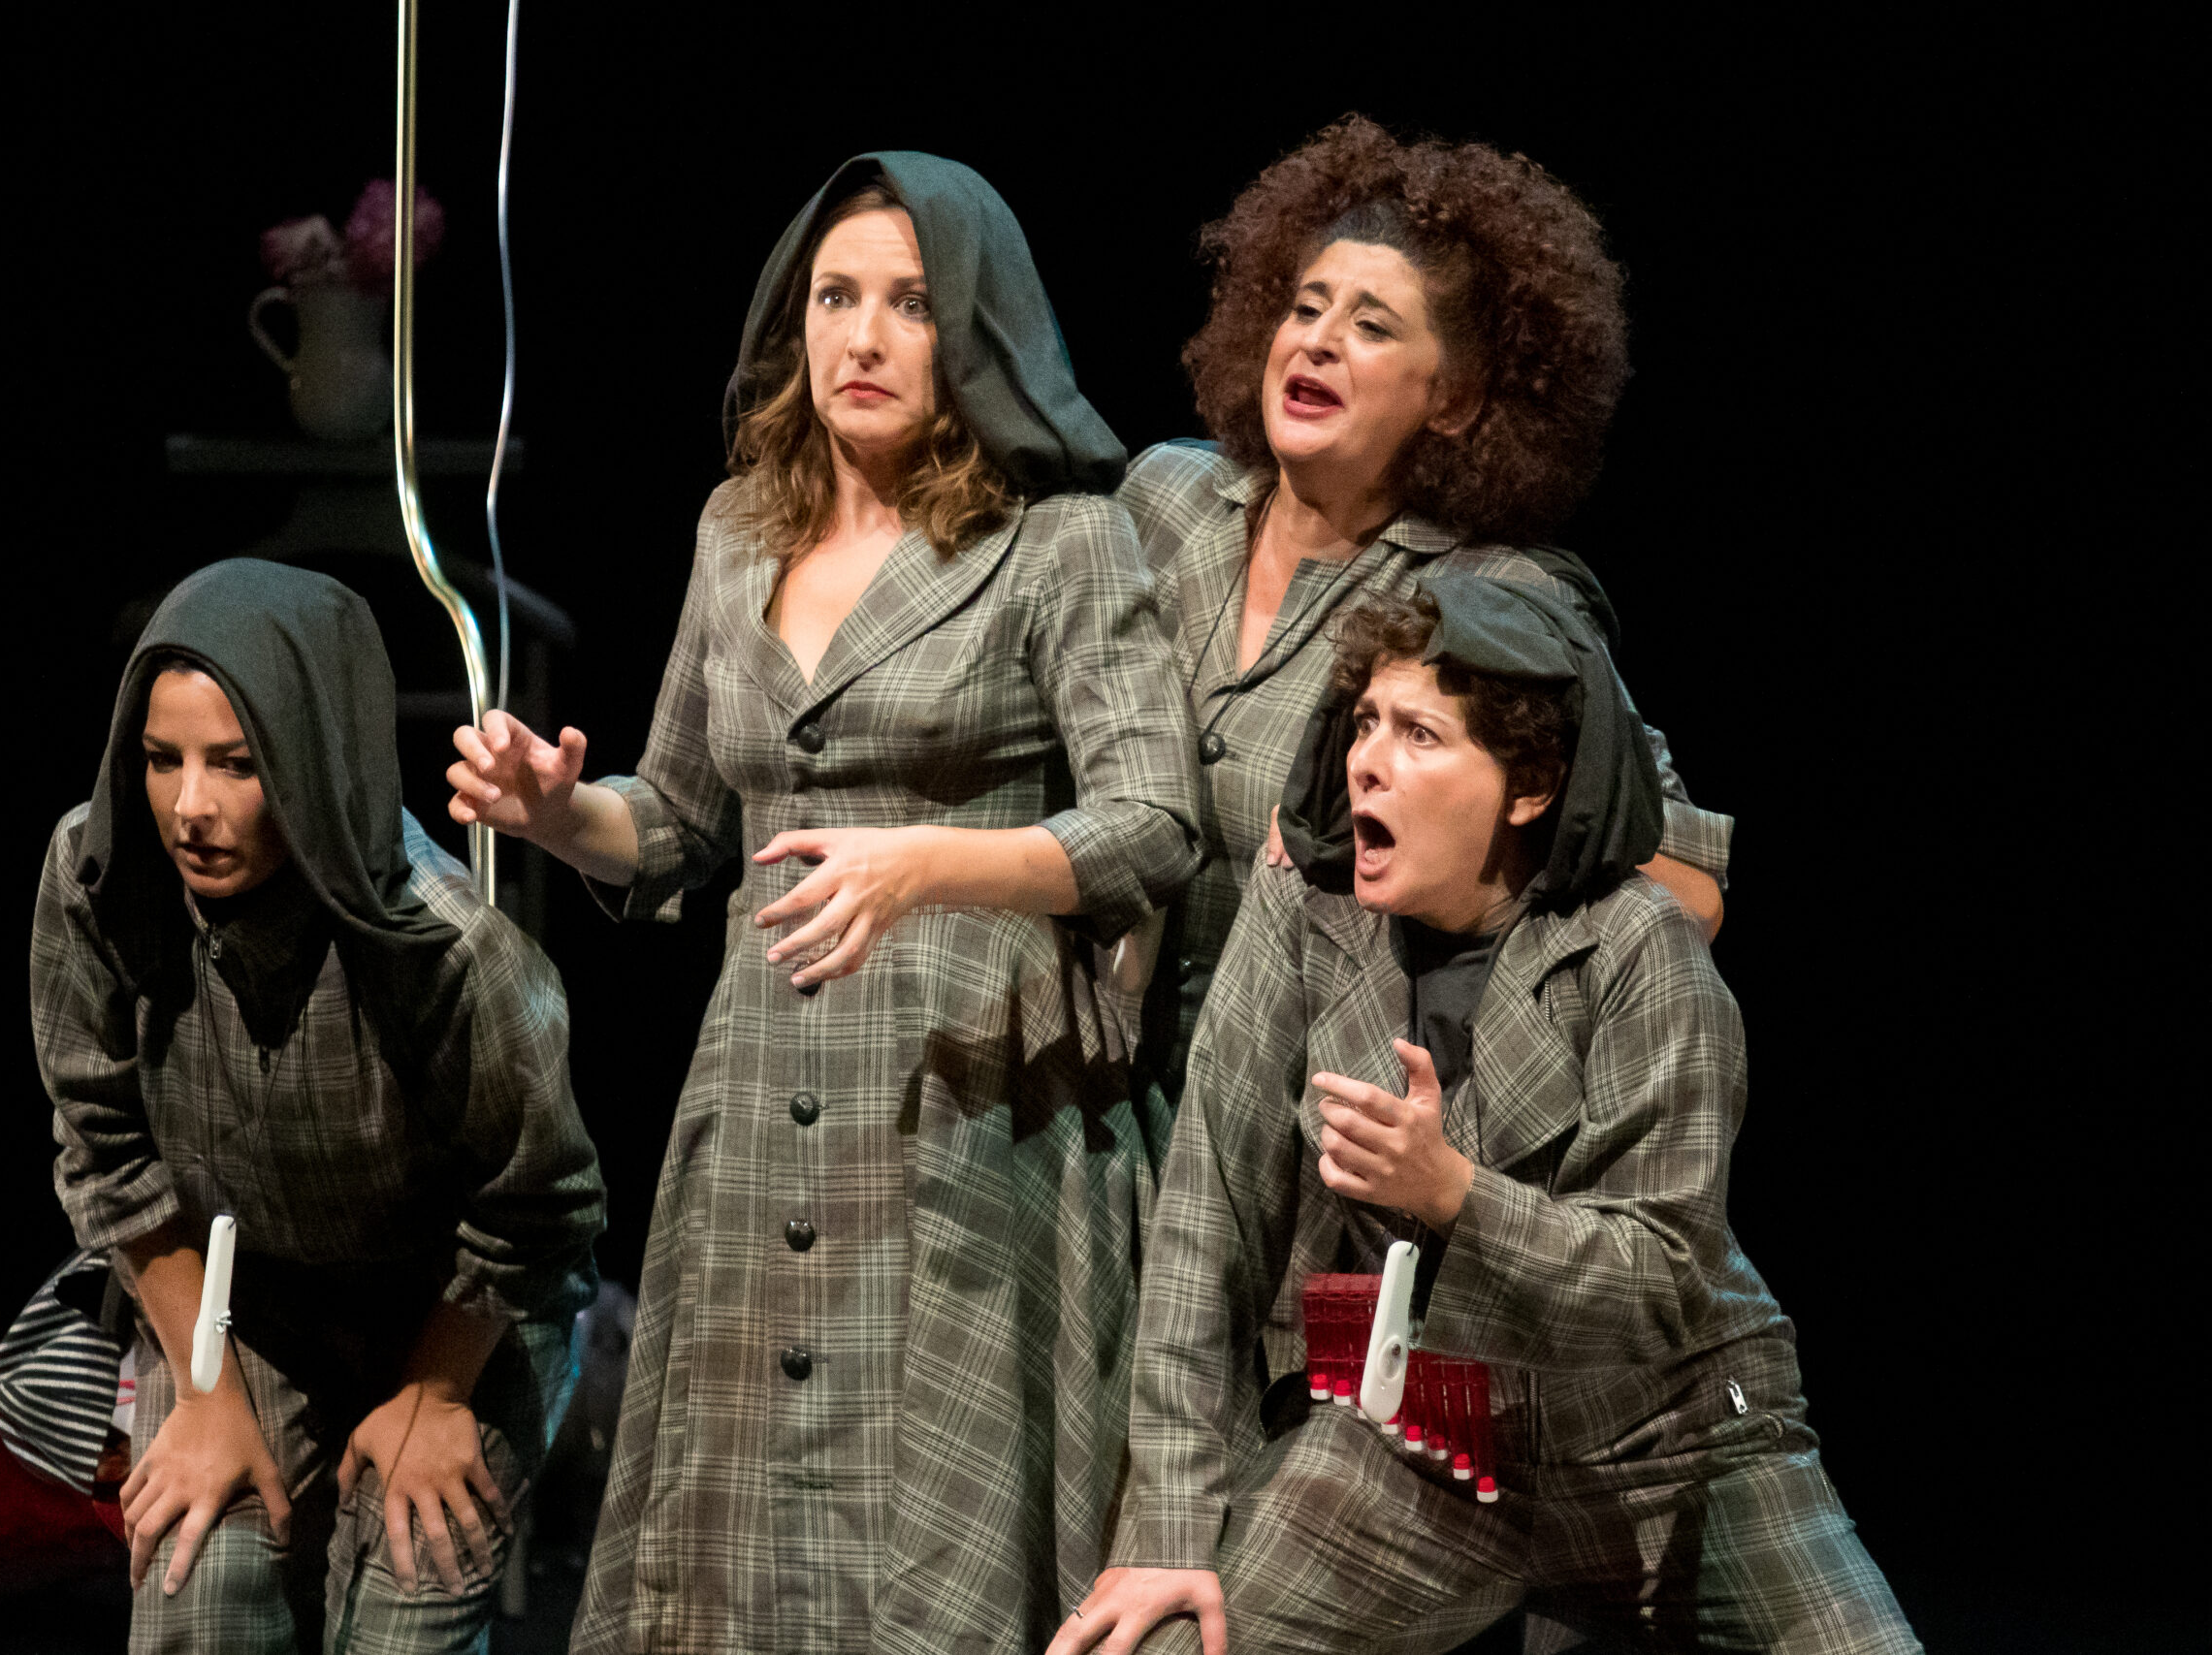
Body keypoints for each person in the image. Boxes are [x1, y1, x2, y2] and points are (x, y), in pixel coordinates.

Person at [445, 154, 1200, 1653]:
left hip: (976, 1094)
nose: (863, 335)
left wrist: (926, 865)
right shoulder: (741, 531)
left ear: (974, 328)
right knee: (747, 1547)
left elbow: (1156, 822)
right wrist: (556, 813)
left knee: (931, 1548)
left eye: (910, 303)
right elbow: (674, 823)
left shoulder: (1056, 539)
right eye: (835, 297)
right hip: (763, 1082)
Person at [1054, 576, 1917, 1653]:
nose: (1366, 761)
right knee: (1171, 1639)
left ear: (1531, 786)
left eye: (1419, 734)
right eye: (1365, 723)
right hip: (1426, 1437)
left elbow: (1657, 1282)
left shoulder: (1637, 947)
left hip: (1672, 1445)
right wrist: (1169, 1529)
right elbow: (1207, 1223)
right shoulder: (1308, 912)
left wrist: (1453, 1195)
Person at [34, 558, 605, 1654]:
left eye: (237, 764)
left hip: (457, 1311)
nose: (189, 808)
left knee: (407, 1590)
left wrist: (437, 1394)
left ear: (316, 754)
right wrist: (203, 1387)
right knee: (201, 1584)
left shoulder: (447, 950)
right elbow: (103, 1148)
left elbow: (541, 1209)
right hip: (239, 1305)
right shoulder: (101, 878)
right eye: (161, 759)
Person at [1114, 116, 1733, 1120]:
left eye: (1370, 326)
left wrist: (1443, 848)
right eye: (1305, 307)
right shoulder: (1159, 501)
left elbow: (1687, 894)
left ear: (1453, 399)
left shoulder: (1493, 598)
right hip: (1090, 1114)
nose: (1316, 340)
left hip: (1310, 1129)